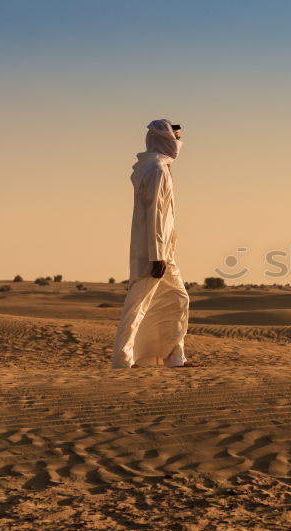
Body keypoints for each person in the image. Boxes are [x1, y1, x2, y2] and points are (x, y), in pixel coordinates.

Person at [112, 119, 195, 368]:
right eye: (175, 137)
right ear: (164, 140)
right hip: (154, 252)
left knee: (177, 299)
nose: (179, 142)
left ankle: (174, 357)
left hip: (163, 250)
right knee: (138, 304)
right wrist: (157, 255)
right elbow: (155, 215)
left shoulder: (156, 167)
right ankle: (123, 361)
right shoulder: (157, 169)